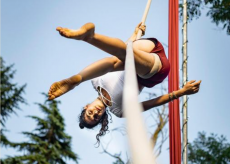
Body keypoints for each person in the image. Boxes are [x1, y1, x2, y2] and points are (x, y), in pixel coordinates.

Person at [48, 22, 201, 145]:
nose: (95, 112)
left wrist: (135, 34)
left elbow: (123, 48)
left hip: (146, 48)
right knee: (119, 59)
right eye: (96, 117)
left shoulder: (95, 81)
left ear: (86, 106)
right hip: (151, 72)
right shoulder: (119, 111)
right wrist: (180, 93)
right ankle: (89, 38)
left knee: (115, 60)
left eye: (90, 112)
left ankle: (77, 78)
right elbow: (151, 103)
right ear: (102, 118)